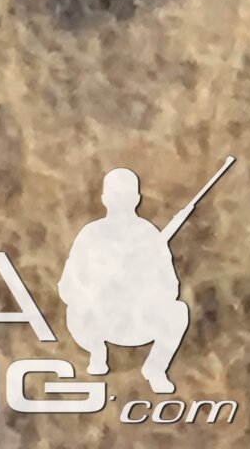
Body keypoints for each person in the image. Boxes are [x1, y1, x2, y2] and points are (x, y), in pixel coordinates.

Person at [61, 168, 194, 394]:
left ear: (136, 199)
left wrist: (140, 286)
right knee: (78, 308)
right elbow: (67, 284)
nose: (120, 202)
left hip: (136, 320)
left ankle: (155, 369)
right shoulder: (90, 234)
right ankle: (96, 352)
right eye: (115, 197)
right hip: (97, 320)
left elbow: (170, 287)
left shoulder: (149, 235)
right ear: (104, 199)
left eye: (125, 197)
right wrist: (94, 291)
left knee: (178, 311)